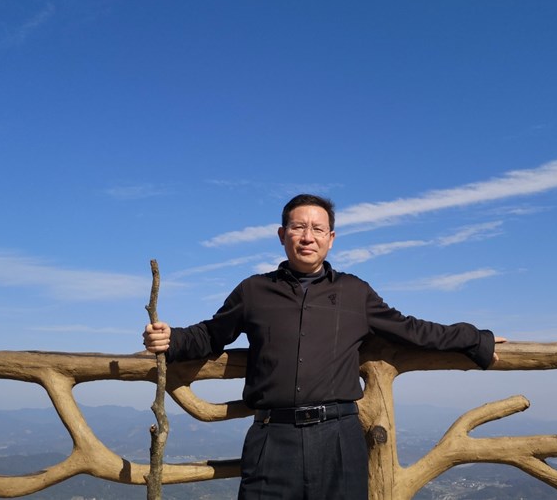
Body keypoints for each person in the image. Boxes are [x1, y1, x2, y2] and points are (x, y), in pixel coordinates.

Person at [143, 193, 505, 500]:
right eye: (298, 227)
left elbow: (410, 330)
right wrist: (172, 339)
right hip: (272, 438)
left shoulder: (354, 292)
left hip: (339, 439)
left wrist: (474, 339)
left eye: (317, 229)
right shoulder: (253, 291)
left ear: (331, 238)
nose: (307, 237)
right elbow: (211, 334)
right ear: (282, 234)